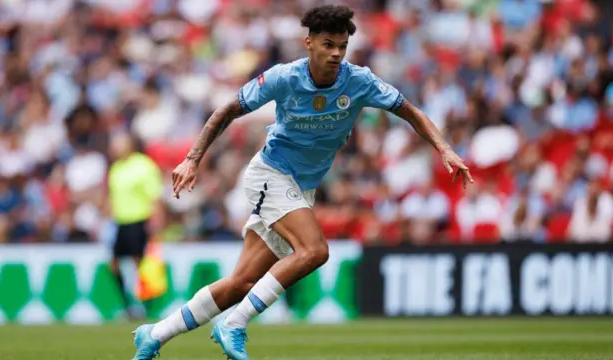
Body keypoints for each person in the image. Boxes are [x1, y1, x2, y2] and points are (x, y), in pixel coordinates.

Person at [131, 5, 473, 360]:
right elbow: (227, 110)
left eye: (342, 45)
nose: (337, 53)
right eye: (328, 45)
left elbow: (409, 110)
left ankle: (154, 334)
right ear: (308, 43)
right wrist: (192, 158)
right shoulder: (283, 77)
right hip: (270, 174)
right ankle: (234, 324)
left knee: (241, 283)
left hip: (299, 188)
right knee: (314, 250)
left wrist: (444, 149)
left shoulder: (359, 81)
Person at [107, 132, 163, 318]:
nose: (115, 147)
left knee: (141, 266)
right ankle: (129, 305)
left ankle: (146, 306)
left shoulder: (144, 166)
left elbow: (154, 196)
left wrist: (155, 222)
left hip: (139, 220)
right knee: (114, 265)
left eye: (119, 143)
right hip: (121, 222)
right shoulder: (116, 168)